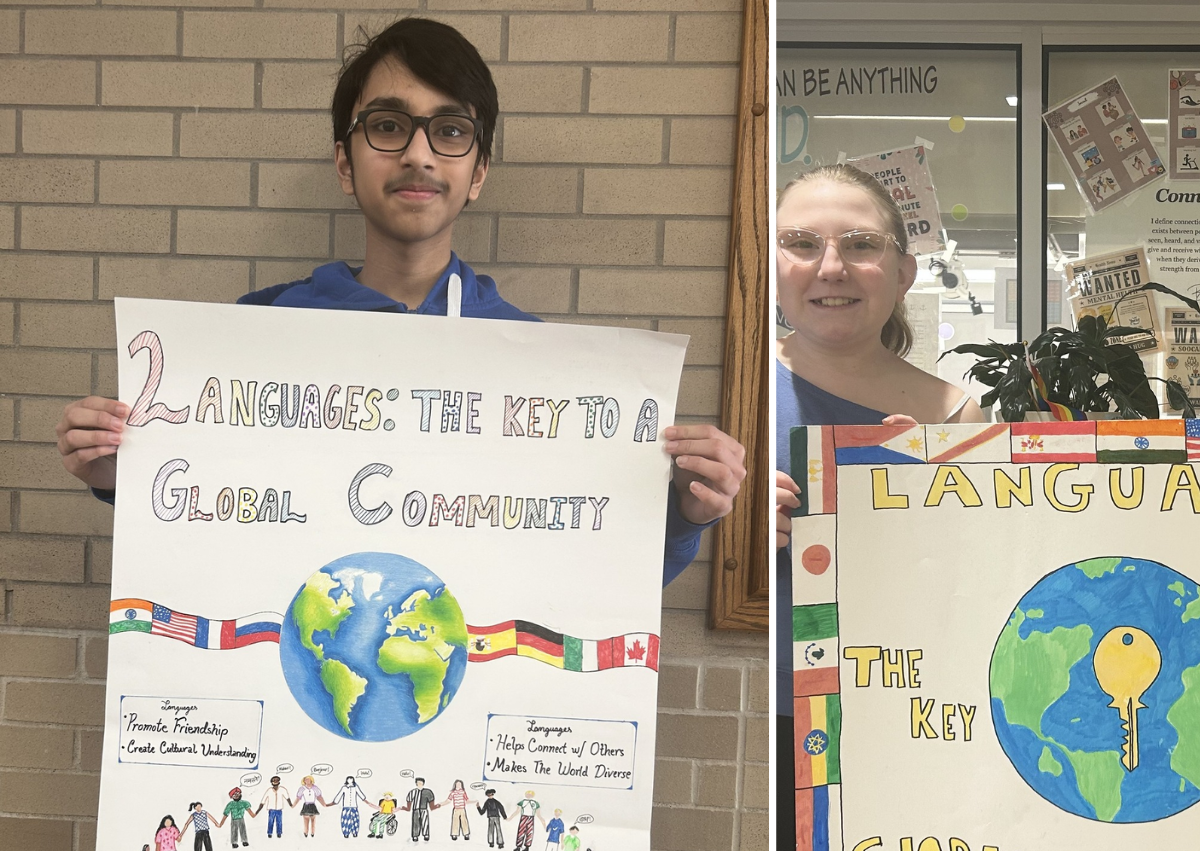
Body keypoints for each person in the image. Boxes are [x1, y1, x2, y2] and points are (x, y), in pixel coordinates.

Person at [47, 17, 746, 589]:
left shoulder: (545, 375)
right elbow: (205, 534)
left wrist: (686, 510)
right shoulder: (257, 339)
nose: (418, 154)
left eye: (450, 130)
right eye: (387, 125)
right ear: (345, 162)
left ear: (478, 174)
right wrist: (121, 471)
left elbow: (595, 582)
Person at [765, 163, 987, 846]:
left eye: (860, 245)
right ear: (774, 264)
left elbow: (973, 589)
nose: (830, 266)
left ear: (904, 273)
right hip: (769, 714)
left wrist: (917, 517)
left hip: (890, 712)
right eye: (802, 243)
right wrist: (737, 527)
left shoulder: (954, 414)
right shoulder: (743, 383)